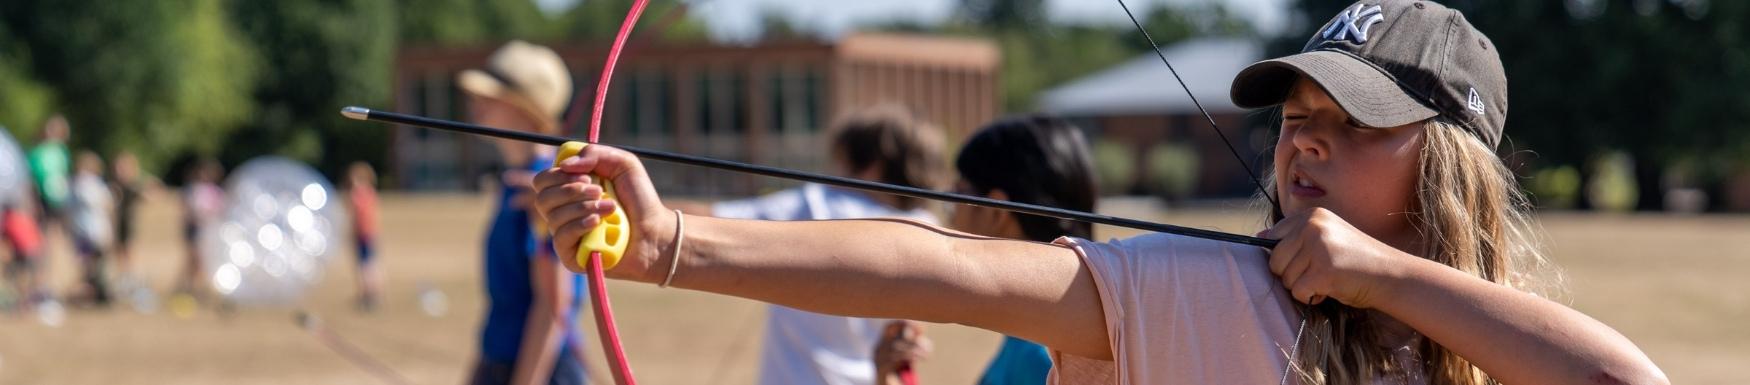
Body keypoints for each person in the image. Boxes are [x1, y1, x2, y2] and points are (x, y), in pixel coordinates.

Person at [528, 1, 1669, 384]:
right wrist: (670, 242)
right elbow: (951, 267)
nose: (1302, 148)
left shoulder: (1482, 348)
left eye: (1351, 126)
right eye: (1294, 121)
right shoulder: (1211, 294)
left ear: (1448, 167)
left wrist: (1383, 277)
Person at [676, 105, 947, 385]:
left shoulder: (816, 204)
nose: (834, 172)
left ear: (871, 167)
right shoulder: (926, 227)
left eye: (841, 161)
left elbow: (702, 222)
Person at [871, 116, 1095, 385]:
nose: (950, 220)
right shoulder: (1054, 334)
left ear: (996, 212)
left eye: (956, 199)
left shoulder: (1042, 357)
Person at [460, 40, 587, 385]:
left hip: (539, 369)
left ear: (526, 108)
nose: (477, 102)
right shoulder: (515, 184)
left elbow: (553, 306)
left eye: (492, 95)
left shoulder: (545, 189)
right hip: (502, 362)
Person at [66, 151, 113, 306]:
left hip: (92, 231)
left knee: (93, 266)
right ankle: (90, 295)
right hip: (86, 232)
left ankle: (96, 294)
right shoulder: (82, 185)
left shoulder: (87, 185)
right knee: (89, 266)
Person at [178, 158, 225, 299]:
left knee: (201, 260)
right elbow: (189, 210)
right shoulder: (193, 190)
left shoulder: (215, 192)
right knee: (194, 259)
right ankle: (189, 287)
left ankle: (195, 288)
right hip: (195, 229)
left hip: (208, 230)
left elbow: (219, 210)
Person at [347, 161, 383, 312]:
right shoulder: (371, 193)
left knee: (364, 266)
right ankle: (372, 294)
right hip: (371, 234)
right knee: (371, 264)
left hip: (363, 235)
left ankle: (368, 294)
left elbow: (358, 217)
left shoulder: (358, 195)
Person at [109, 150, 147, 285]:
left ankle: (129, 277)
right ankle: (122, 277)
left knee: (128, 249)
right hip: (115, 224)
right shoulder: (113, 186)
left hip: (127, 223)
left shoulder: (132, 186)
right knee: (118, 250)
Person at [27, 116, 70, 230]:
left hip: (58, 195)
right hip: (39, 194)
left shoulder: (61, 152)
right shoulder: (38, 151)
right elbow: (30, 172)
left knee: (56, 228)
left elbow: (63, 174)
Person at [2, 202, 46, 311]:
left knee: (18, 278)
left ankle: (24, 303)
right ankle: (29, 302)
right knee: (30, 279)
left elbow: (5, 240)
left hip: (25, 252)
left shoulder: (8, 222)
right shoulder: (24, 218)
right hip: (36, 250)